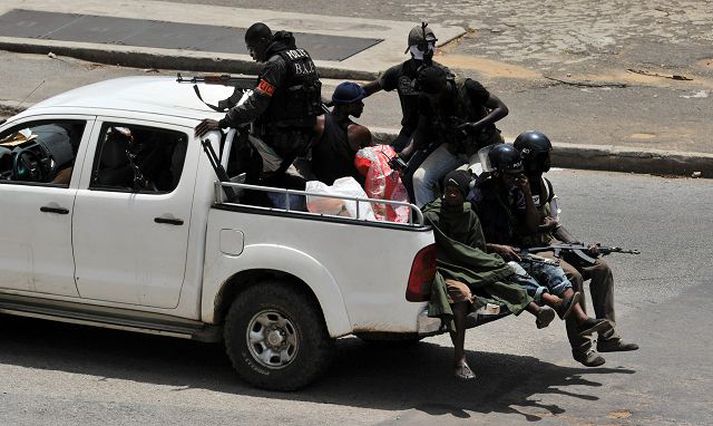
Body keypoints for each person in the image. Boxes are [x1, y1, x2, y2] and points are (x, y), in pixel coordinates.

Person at [423, 170, 606, 380]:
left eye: (456, 191)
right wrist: (490, 254)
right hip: (448, 268)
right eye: (448, 190)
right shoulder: (432, 215)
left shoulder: (469, 213)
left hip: (473, 264)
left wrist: (486, 257)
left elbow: (477, 246)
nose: (451, 195)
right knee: (464, 295)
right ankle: (460, 359)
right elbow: (453, 248)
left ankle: (555, 309)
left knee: (508, 274)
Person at [468, 144, 614, 367]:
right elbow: (470, 240)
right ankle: (580, 340)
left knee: (576, 267)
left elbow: (533, 224)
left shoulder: (520, 189)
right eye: (510, 176)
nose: (515, 180)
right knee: (570, 276)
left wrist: (525, 193)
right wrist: (498, 247)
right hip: (495, 253)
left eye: (518, 176)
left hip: (522, 249)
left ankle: (593, 326)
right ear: (496, 173)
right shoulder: (478, 197)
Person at [513, 130, 639, 364]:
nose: (547, 162)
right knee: (573, 276)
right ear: (529, 159)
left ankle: (608, 336)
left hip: (550, 244)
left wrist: (579, 245)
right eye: (543, 157)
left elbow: (555, 225)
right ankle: (582, 348)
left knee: (601, 268)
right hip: (528, 250)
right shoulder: (514, 186)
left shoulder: (544, 184)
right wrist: (543, 229)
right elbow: (521, 229)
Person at [194, 22, 322, 206]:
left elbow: (256, 104)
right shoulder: (300, 56)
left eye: (252, 49)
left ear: (263, 41)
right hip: (303, 134)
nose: (251, 55)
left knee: (244, 141)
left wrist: (224, 121)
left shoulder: (275, 65)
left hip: (284, 139)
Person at [404, 65, 508, 207]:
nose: (430, 99)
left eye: (433, 95)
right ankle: (430, 220)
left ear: (441, 87)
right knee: (419, 179)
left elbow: (501, 108)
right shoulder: (425, 98)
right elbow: (421, 129)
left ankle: (470, 224)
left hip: (482, 147)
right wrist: (405, 153)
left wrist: (475, 126)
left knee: (472, 185)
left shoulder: (468, 87)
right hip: (454, 147)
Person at [360, 22, 451, 153]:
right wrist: (341, 99)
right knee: (389, 160)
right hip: (409, 130)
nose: (429, 50)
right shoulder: (399, 72)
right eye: (423, 46)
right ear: (412, 48)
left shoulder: (441, 73)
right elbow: (369, 89)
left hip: (437, 133)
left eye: (432, 44)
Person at [311, 82, 373, 185]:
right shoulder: (360, 132)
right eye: (358, 102)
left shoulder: (317, 123)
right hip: (347, 191)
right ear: (346, 107)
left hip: (319, 187)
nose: (362, 105)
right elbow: (372, 164)